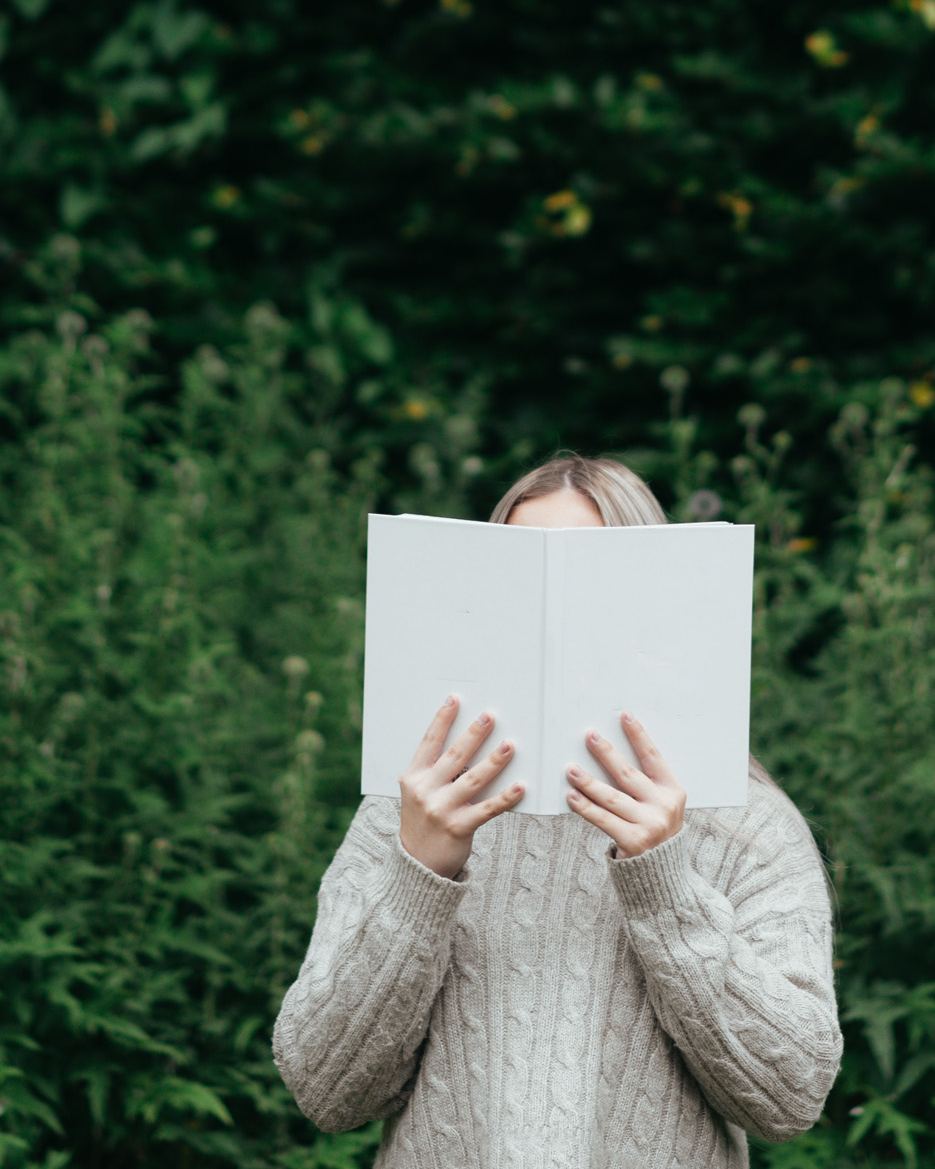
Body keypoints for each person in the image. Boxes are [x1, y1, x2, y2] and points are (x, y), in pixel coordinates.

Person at [272, 454, 841, 1167]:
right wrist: (420, 872)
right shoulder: (410, 810)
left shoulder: (743, 824)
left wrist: (665, 885)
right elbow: (326, 1091)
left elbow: (790, 1097)